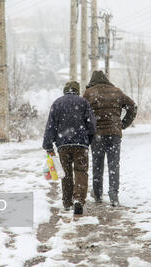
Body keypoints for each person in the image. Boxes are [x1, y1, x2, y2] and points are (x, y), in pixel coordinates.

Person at [83, 71, 137, 207]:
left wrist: (88, 128)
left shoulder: (89, 93)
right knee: (114, 165)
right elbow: (132, 107)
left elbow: (83, 113)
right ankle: (114, 195)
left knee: (97, 164)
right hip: (114, 134)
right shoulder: (116, 92)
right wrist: (123, 124)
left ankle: (97, 193)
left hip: (97, 135)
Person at [43, 81, 96, 215]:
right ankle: (78, 199)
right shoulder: (83, 102)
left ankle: (67, 202)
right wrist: (88, 141)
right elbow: (92, 125)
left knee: (65, 173)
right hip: (81, 144)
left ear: (65, 90)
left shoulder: (57, 103)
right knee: (81, 171)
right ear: (77, 90)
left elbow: (51, 125)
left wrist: (48, 145)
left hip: (63, 145)